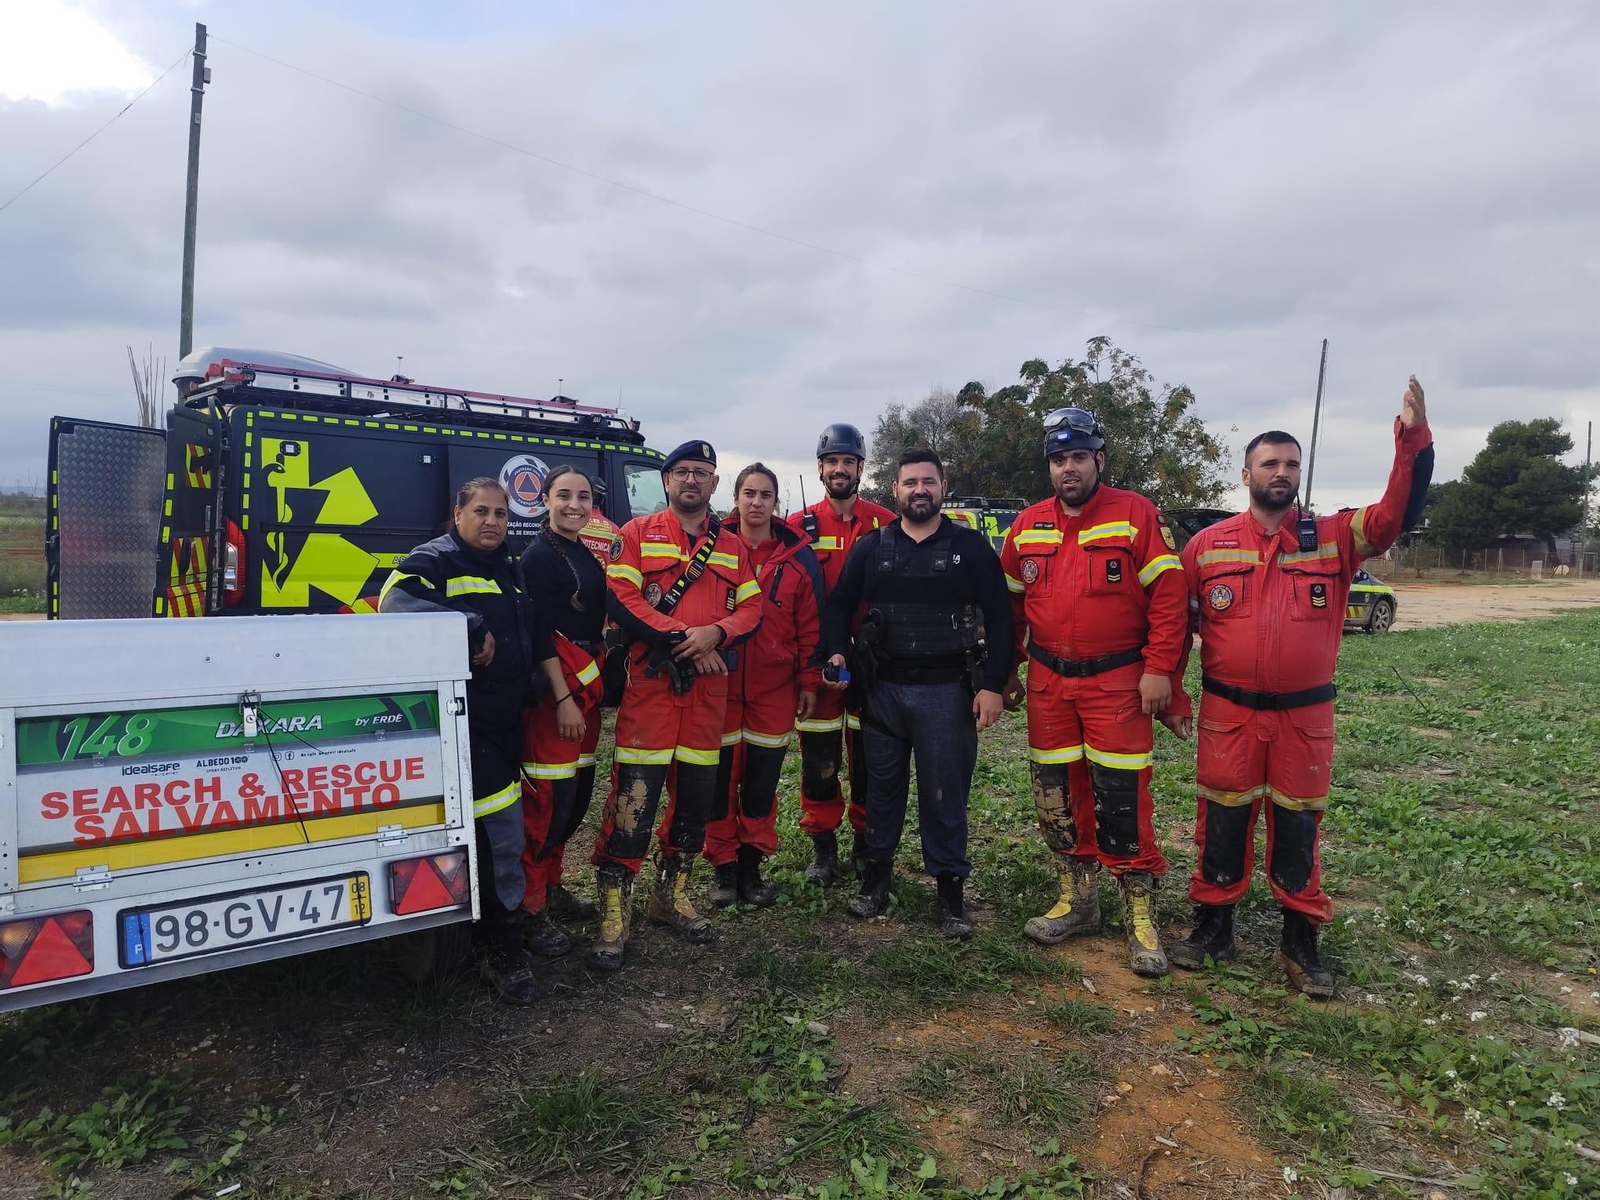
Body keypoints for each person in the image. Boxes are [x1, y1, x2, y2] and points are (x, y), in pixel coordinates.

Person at [1169, 377, 1434, 997]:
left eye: (1290, 463)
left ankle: (1300, 942)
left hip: (1303, 720)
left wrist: (1412, 439)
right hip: (1228, 714)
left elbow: (1394, 516)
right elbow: (1176, 625)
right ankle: (1213, 929)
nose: (1281, 472)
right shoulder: (1206, 547)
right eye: (1269, 463)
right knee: (1221, 820)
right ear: (1246, 473)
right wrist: (1175, 692)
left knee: (1298, 825)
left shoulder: (1336, 538)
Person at [998, 408, 1188, 978]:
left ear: (1099, 460)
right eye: (1058, 459)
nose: (1068, 468)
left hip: (1119, 682)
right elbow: (1008, 609)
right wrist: (1006, 670)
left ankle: (1138, 912)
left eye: (1079, 456)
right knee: (1055, 794)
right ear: (1049, 467)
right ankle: (1079, 901)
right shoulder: (1026, 525)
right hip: (1049, 683)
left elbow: (1171, 599)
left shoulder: (1136, 515)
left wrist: (1161, 672)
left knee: (1121, 795)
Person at [823, 448, 1012, 937]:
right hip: (882, 691)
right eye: (910, 483)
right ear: (896, 490)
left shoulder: (970, 548)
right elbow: (839, 605)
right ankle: (876, 879)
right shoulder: (871, 547)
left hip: (947, 694)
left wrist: (993, 685)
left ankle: (950, 892)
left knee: (944, 794)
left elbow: (1002, 617)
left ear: (943, 488)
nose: (920, 490)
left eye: (929, 482)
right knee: (881, 792)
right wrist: (839, 652)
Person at [589, 441, 763, 970]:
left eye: (703, 474)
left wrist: (717, 632)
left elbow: (752, 607)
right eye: (683, 472)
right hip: (653, 686)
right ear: (665, 481)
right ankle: (613, 912)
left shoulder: (733, 544)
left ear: (714, 485)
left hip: (708, 698)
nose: (692, 481)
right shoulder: (635, 535)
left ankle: (671, 897)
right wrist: (684, 636)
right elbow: (622, 598)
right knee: (633, 801)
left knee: (695, 802)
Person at [378, 478, 546, 1005]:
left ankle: (485, 931)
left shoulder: (508, 563)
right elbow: (392, 601)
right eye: (481, 511)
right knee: (502, 836)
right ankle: (502, 950)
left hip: (505, 723)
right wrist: (468, 623)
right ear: (458, 513)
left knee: (494, 834)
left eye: (499, 512)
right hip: (465, 728)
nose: (492, 521)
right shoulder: (435, 560)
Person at [706, 463, 825, 908]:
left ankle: (752, 867)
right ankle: (722, 867)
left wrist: (809, 680)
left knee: (760, 781)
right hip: (718, 684)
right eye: (749, 493)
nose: (756, 502)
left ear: (777, 503)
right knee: (718, 781)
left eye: (766, 495)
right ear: (735, 498)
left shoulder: (797, 556)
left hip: (773, 689)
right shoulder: (713, 547)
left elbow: (809, 626)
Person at [786, 423, 895, 886]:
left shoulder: (886, 523)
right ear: (820, 468)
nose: (840, 469)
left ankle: (865, 843)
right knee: (820, 757)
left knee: (872, 757)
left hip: (876, 662)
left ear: (861, 469)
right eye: (832, 462)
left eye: (848, 462)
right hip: (819, 662)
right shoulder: (797, 527)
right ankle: (823, 849)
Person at [518, 466, 607, 956]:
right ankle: (529, 914)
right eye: (564, 496)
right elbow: (541, 635)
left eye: (584, 497)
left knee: (572, 802)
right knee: (545, 809)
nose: (575, 505)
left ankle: (551, 886)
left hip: (584, 693)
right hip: (559, 696)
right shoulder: (537, 559)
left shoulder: (579, 551)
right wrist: (562, 698)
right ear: (544, 500)